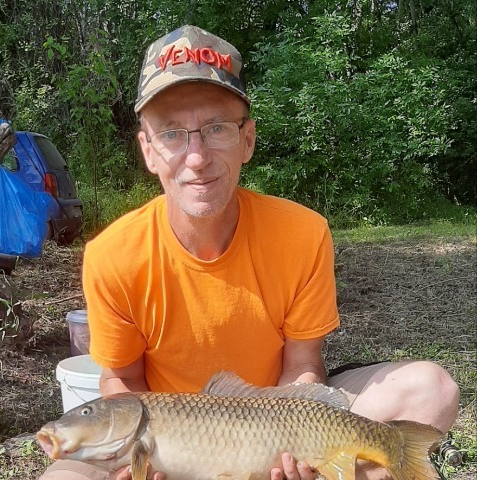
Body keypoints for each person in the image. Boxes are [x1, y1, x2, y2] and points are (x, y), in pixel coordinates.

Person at [39, 25, 459, 480]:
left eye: (216, 128)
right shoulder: (113, 255)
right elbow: (122, 379)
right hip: (166, 441)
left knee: (430, 391)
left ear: (248, 140)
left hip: (276, 420)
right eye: (172, 133)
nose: (196, 157)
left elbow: (302, 364)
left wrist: (290, 446)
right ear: (149, 151)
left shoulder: (303, 232)